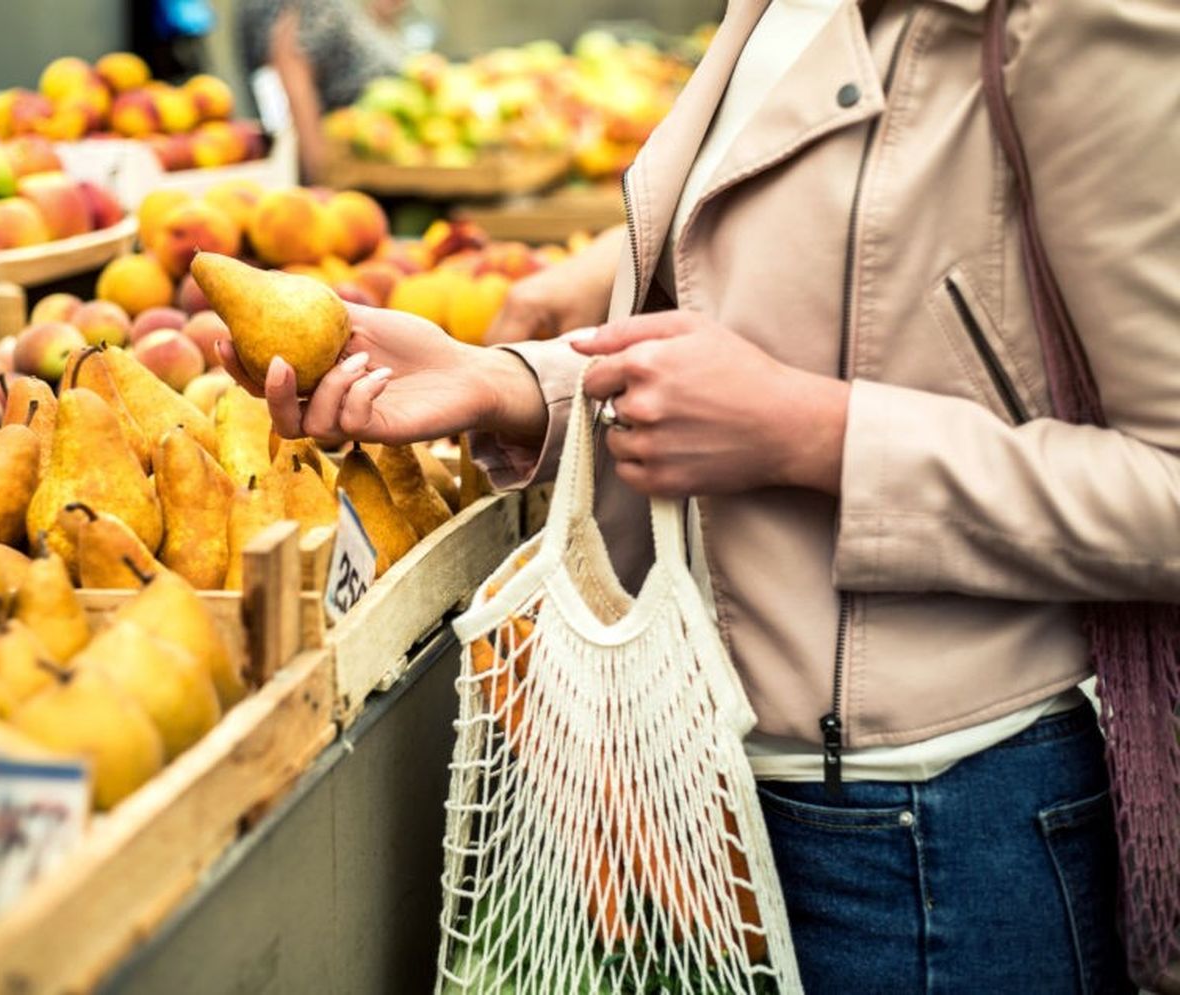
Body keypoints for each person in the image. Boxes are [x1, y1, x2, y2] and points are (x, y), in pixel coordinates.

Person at [218, 0, 1177, 989]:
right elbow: (736, 341)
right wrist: (510, 383)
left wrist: (814, 431)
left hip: (928, 844)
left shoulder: (1069, 17)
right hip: (700, 805)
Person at [238, 0, 408, 182]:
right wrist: (321, 180)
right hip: (353, 166)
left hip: (389, 159)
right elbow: (293, 76)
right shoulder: (303, 8)